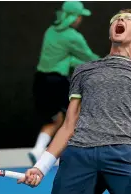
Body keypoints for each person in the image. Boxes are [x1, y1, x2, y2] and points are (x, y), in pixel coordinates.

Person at [19, 8, 131, 194]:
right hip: (79, 155)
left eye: (127, 18)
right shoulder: (83, 71)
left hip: (124, 155)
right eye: (116, 18)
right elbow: (69, 124)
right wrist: (41, 167)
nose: (120, 19)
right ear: (111, 32)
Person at [28, 1, 100, 165]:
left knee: (55, 120)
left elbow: (65, 59)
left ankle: (38, 150)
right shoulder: (73, 36)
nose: (81, 19)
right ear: (74, 17)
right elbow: (88, 57)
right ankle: (73, 154)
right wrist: (107, 63)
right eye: (80, 16)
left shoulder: (50, 31)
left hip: (40, 81)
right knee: (77, 116)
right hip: (57, 82)